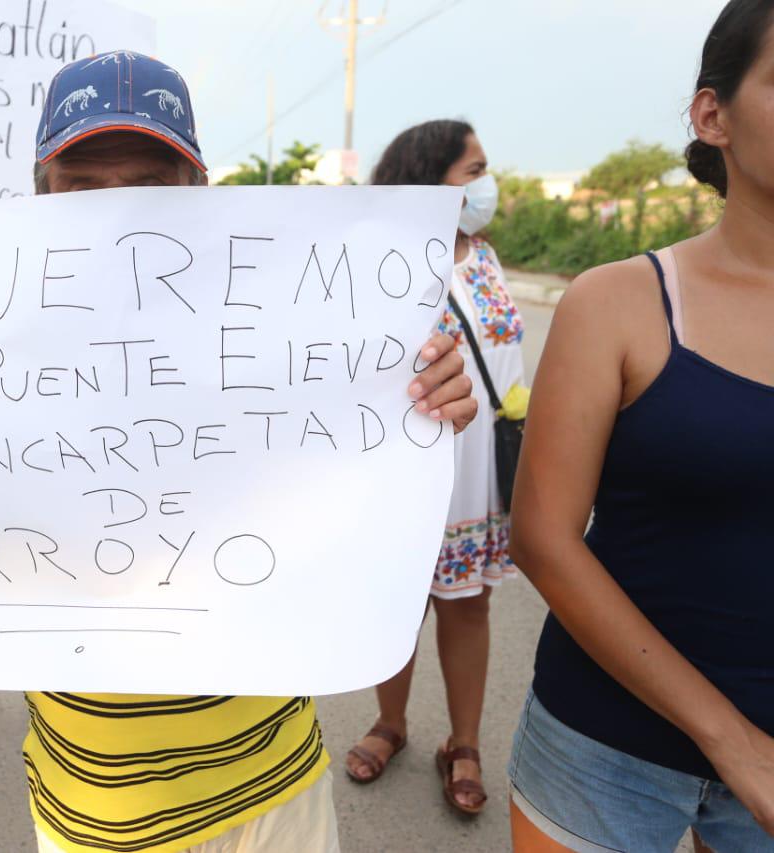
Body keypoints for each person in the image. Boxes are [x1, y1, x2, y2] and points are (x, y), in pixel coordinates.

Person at [0, 52, 479, 852]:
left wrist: (417, 405)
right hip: (90, 806)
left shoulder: (283, 323)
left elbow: (355, 486)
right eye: (83, 187)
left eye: (146, 185)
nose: (115, 214)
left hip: (270, 788)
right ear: (42, 195)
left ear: (198, 191)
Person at [506, 1, 774, 849]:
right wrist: (735, 742)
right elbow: (545, 538)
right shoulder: (618, 302)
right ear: (712, 115)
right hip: (602, 752)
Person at [343, 121, 525, 817]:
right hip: (407, 467)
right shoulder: (380, 260)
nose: (485, 183)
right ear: (431, 177)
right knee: (402, 601)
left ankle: (465, 741)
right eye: (473, 169)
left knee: (468, 600)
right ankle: (391, 722)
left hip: (479, 469)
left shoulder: (484, 256)